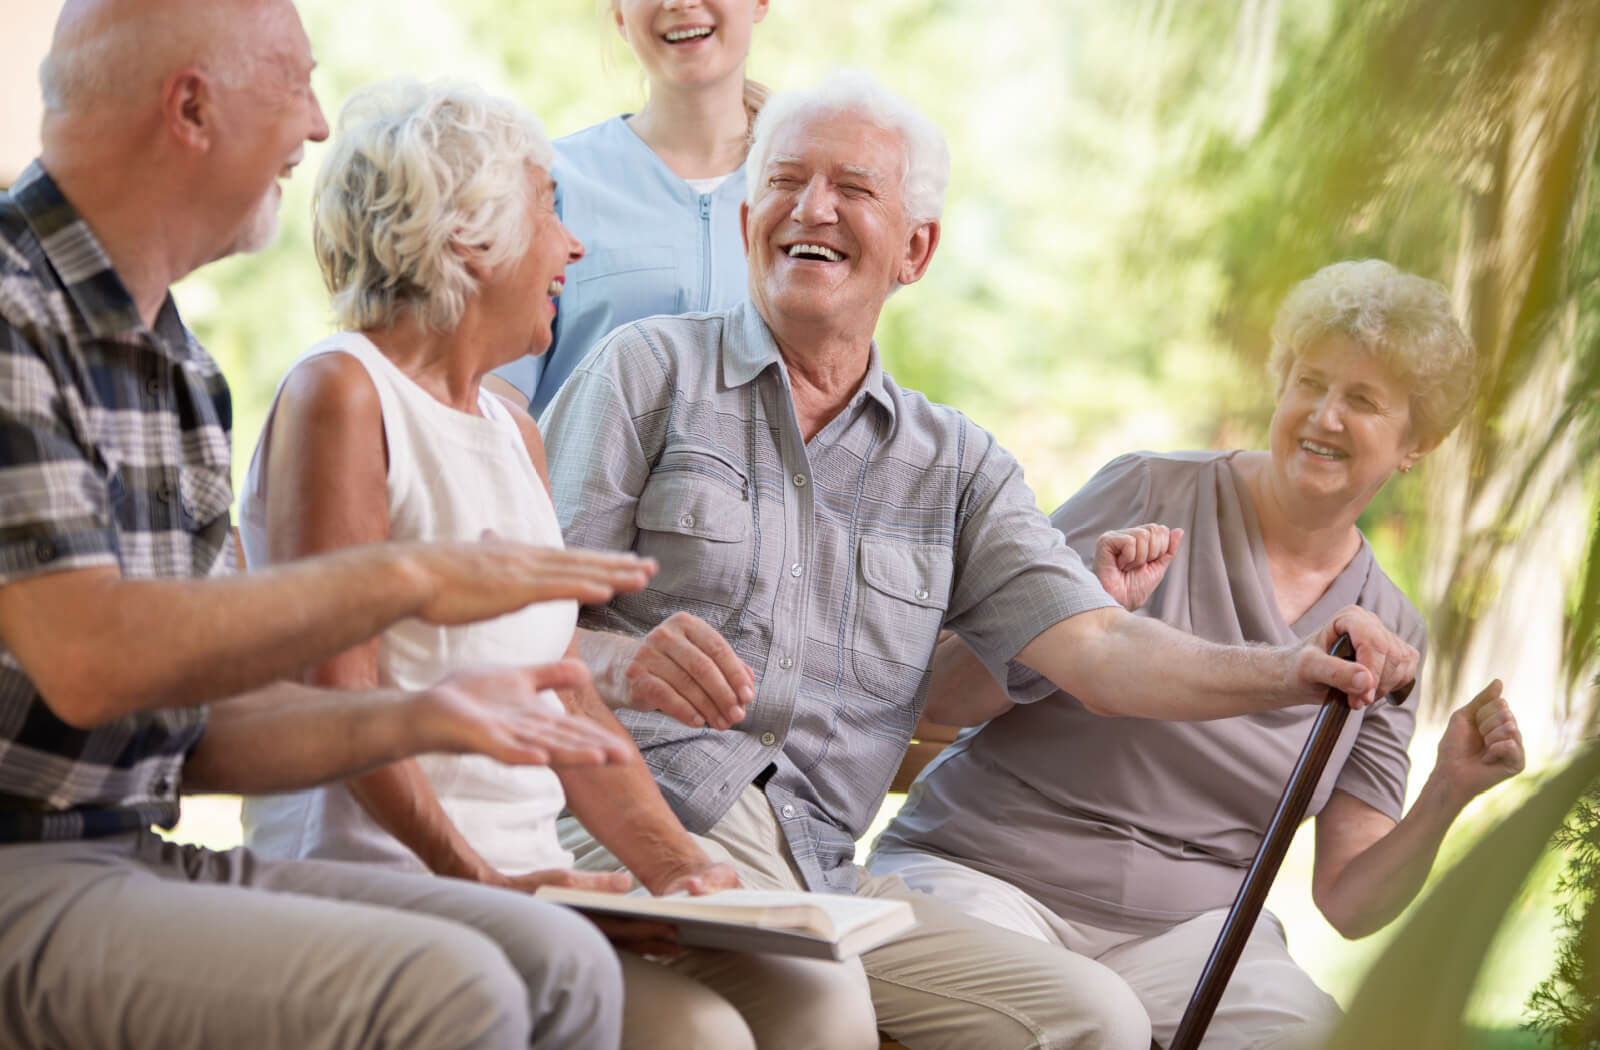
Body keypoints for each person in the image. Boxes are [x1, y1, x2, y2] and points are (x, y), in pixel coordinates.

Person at [538, 72, 1422, 1050]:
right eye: (786, 181)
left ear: (915, 249)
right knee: (813, 1012)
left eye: (853, 190)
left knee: (1091, 1019)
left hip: (823, 871)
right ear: (748, 217)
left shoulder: (955, 466)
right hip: (629, 814)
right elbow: (525, 634)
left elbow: (1102, 653)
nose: (812, 208)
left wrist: (1287, 669)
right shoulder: (646, 370)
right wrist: (623, 667)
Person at [0, 3, 666, 1048]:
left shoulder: (175, 365)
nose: (317, 129)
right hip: (20, 864)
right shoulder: (11, 315)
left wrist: (424, 716)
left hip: (126, 843)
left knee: (564, 963)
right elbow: (88, 661)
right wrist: (405, 580)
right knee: (454, 990)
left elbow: (192, 736)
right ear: (192, 107)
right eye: (294, 85)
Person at [241, 76, 866, 1050]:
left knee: (814, 1002)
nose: (572, 245)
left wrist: (677, 871)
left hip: (526, 883)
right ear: (466, 236)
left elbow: (566, 694)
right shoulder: (344, 393)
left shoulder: (510, 426)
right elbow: (341, 702)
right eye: (547, 210)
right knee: (698, 1034)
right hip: (384, 884)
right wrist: (485, 883)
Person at [869, 259, 1527, 1049]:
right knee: (1088, 1024)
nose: (1322, 415)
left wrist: (1450, 790)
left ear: (1417, 442)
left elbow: (1351, 903)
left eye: (1361, 399)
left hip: (1186, 940)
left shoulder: (1391, 630)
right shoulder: (1149, 492)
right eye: (1308, 382)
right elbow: (942, 694)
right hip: (987, 878)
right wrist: (1080, 613)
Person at [490, 0, 769, 415]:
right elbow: (496, 401)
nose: (681, 3)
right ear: (620, 15)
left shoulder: (808, 195)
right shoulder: (550, 184)